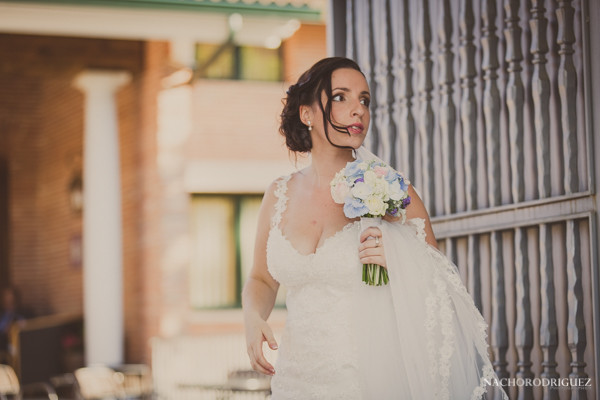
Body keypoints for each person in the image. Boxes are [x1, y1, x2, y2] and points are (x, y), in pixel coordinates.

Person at [242, 57, 506, 399]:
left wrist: (397, 256)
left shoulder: (394, 190)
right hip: (296, 380)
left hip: (370, 380)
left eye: (364, 100)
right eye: (341, 97)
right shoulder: (278, 194)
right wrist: (251, 317)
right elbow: (261, 279)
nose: (358, 111)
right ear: (306, 113)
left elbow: (441, 288)